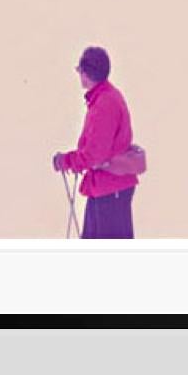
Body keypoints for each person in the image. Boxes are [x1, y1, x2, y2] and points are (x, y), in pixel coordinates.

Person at [52, 45, 138, 238]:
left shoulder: (104, 105)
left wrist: (66, 161)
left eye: (80, 70)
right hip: (109, 186)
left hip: (110, 189)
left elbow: (94, 155)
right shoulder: (105, 97)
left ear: (86, 73)